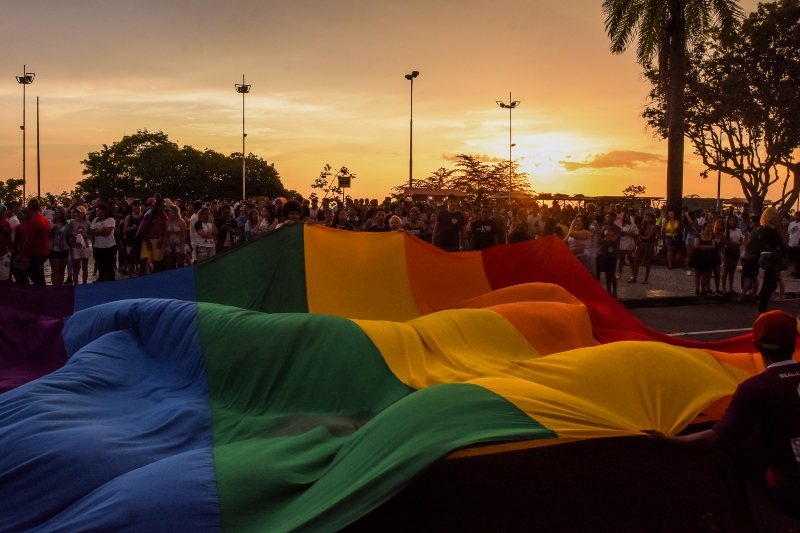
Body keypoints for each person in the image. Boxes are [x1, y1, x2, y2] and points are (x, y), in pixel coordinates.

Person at [646, 310, 800, 533]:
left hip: (793, 495)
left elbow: (715, 439)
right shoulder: (761, 388)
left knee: (729, 447)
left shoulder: (756, 388)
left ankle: (739, 521)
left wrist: (667, 441)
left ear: (755, 343)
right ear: (794, 342)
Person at [755, 207, 785, 315]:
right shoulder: (769, 230)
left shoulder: (761, 229)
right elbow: (780, 244)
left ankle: (762, 306)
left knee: (771, 283)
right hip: (770, 256)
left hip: (764, 256)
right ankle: (762, 308)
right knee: (768, 283)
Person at [21, 199, 51, 285]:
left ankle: (42, 295)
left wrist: (21, 255)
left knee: (38, 278)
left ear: (30, 210)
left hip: (36, 252)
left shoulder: (34, 221)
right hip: (44, 251)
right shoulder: (45, 220)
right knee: (37, 275)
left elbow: (29, 240)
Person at [689, 222, 717, 297]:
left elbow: (713, 246)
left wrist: (703, 246)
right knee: (698, 273)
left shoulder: (712, 236)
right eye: (708, 227)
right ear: (704, 228)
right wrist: (707, 246)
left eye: (711, 227)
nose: (709, 229)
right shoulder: (699, 235)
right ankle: (697, 289)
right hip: (699, 256)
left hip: (707, 256)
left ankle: (703, 289)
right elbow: (696, 246)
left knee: (706, 273)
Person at [629, 212, 658, 284]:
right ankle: (634, 277)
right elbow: (639, 236)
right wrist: (635, 245)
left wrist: (641, 237)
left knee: (647, 262)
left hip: (648, 245)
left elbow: (649, 237)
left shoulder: (653, 227)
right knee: (636, 261)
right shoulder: (643, 226)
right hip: (641, 245)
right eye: (646, 217)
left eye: (649, 218)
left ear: (652, 219)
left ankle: (646, 279)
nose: (647, 219)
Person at [598, 212, 622, 297]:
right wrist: (605, 240)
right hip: (604, 253)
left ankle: (614, 291)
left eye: (611, 217)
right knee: (606, 274)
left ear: (614, 218)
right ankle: (608, 291)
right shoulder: (604, 228)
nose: (609, 218)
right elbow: (599, 241)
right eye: (607, 217)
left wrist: (605, 240)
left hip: (612, 254)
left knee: (611, 273)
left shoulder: (617, 228)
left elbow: (614, 240)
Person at [68, 206, 91, 285]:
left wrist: (85, 235)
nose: (77, 214)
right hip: (75, 246)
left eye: (79, 212)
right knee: (76, 266)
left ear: (83, 214)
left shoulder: (87, 223)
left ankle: (84, 283)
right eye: (76, 212)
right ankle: (76, 283)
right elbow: (69, 232)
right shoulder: (72, 222)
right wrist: (73, 233)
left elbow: (90, 235)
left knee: (85, 266)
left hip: (84, 246)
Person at [722, 215, 744, 296]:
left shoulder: (738, 230)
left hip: (736, 251)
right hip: (728, 250)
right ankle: (724, 287)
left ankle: (731, 287)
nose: (732, 222)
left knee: (732, 270)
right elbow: (725, 242)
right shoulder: (726, 231)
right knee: (726, 270)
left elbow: (741, 240)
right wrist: (734, 244)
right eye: (730, 220)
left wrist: (739, 244)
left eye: (734, 220)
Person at [48, 208, 70, 286]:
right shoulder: (50, 222)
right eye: (55, 212)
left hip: (64, 248)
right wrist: (51, 230)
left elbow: (68, 236)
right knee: (55, 270)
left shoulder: (66, 224)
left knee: (62, 269)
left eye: (58, 212)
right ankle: (55, 286)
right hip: (53, 248)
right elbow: (46, 234)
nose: (56, 214)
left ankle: (60, 285)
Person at [162, 205, 187, 269]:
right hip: (169, 243)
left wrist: (182, 247)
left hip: (178, 243)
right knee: (169, 263)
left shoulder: (181, 222)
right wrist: (163, 247)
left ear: (176, 212)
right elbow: (165, 235)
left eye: (171, 211)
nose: (169, 212)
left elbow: (184, 235)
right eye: (169, 211)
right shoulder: (167, 222)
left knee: (180, 263)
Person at [617, 211, 638, 280]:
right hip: (622, 243)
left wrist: (629, 233)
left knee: (630, 258)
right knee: (621, 259)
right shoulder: (621, 225)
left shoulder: (633, 225)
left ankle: (633, 274)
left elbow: (636, 234)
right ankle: (619, 274)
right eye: (625, 216)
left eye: (628, 216)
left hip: (629, 242)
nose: (626, 218)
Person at [789, 211, 800, 279]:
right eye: (797, 215)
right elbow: (789, 232)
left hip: (797, 244)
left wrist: (798, 243)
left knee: (797, 259)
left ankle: (798, 273)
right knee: (792, 260)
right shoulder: (791, 224)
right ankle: (793, 271)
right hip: (791, 243)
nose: (798, 217)